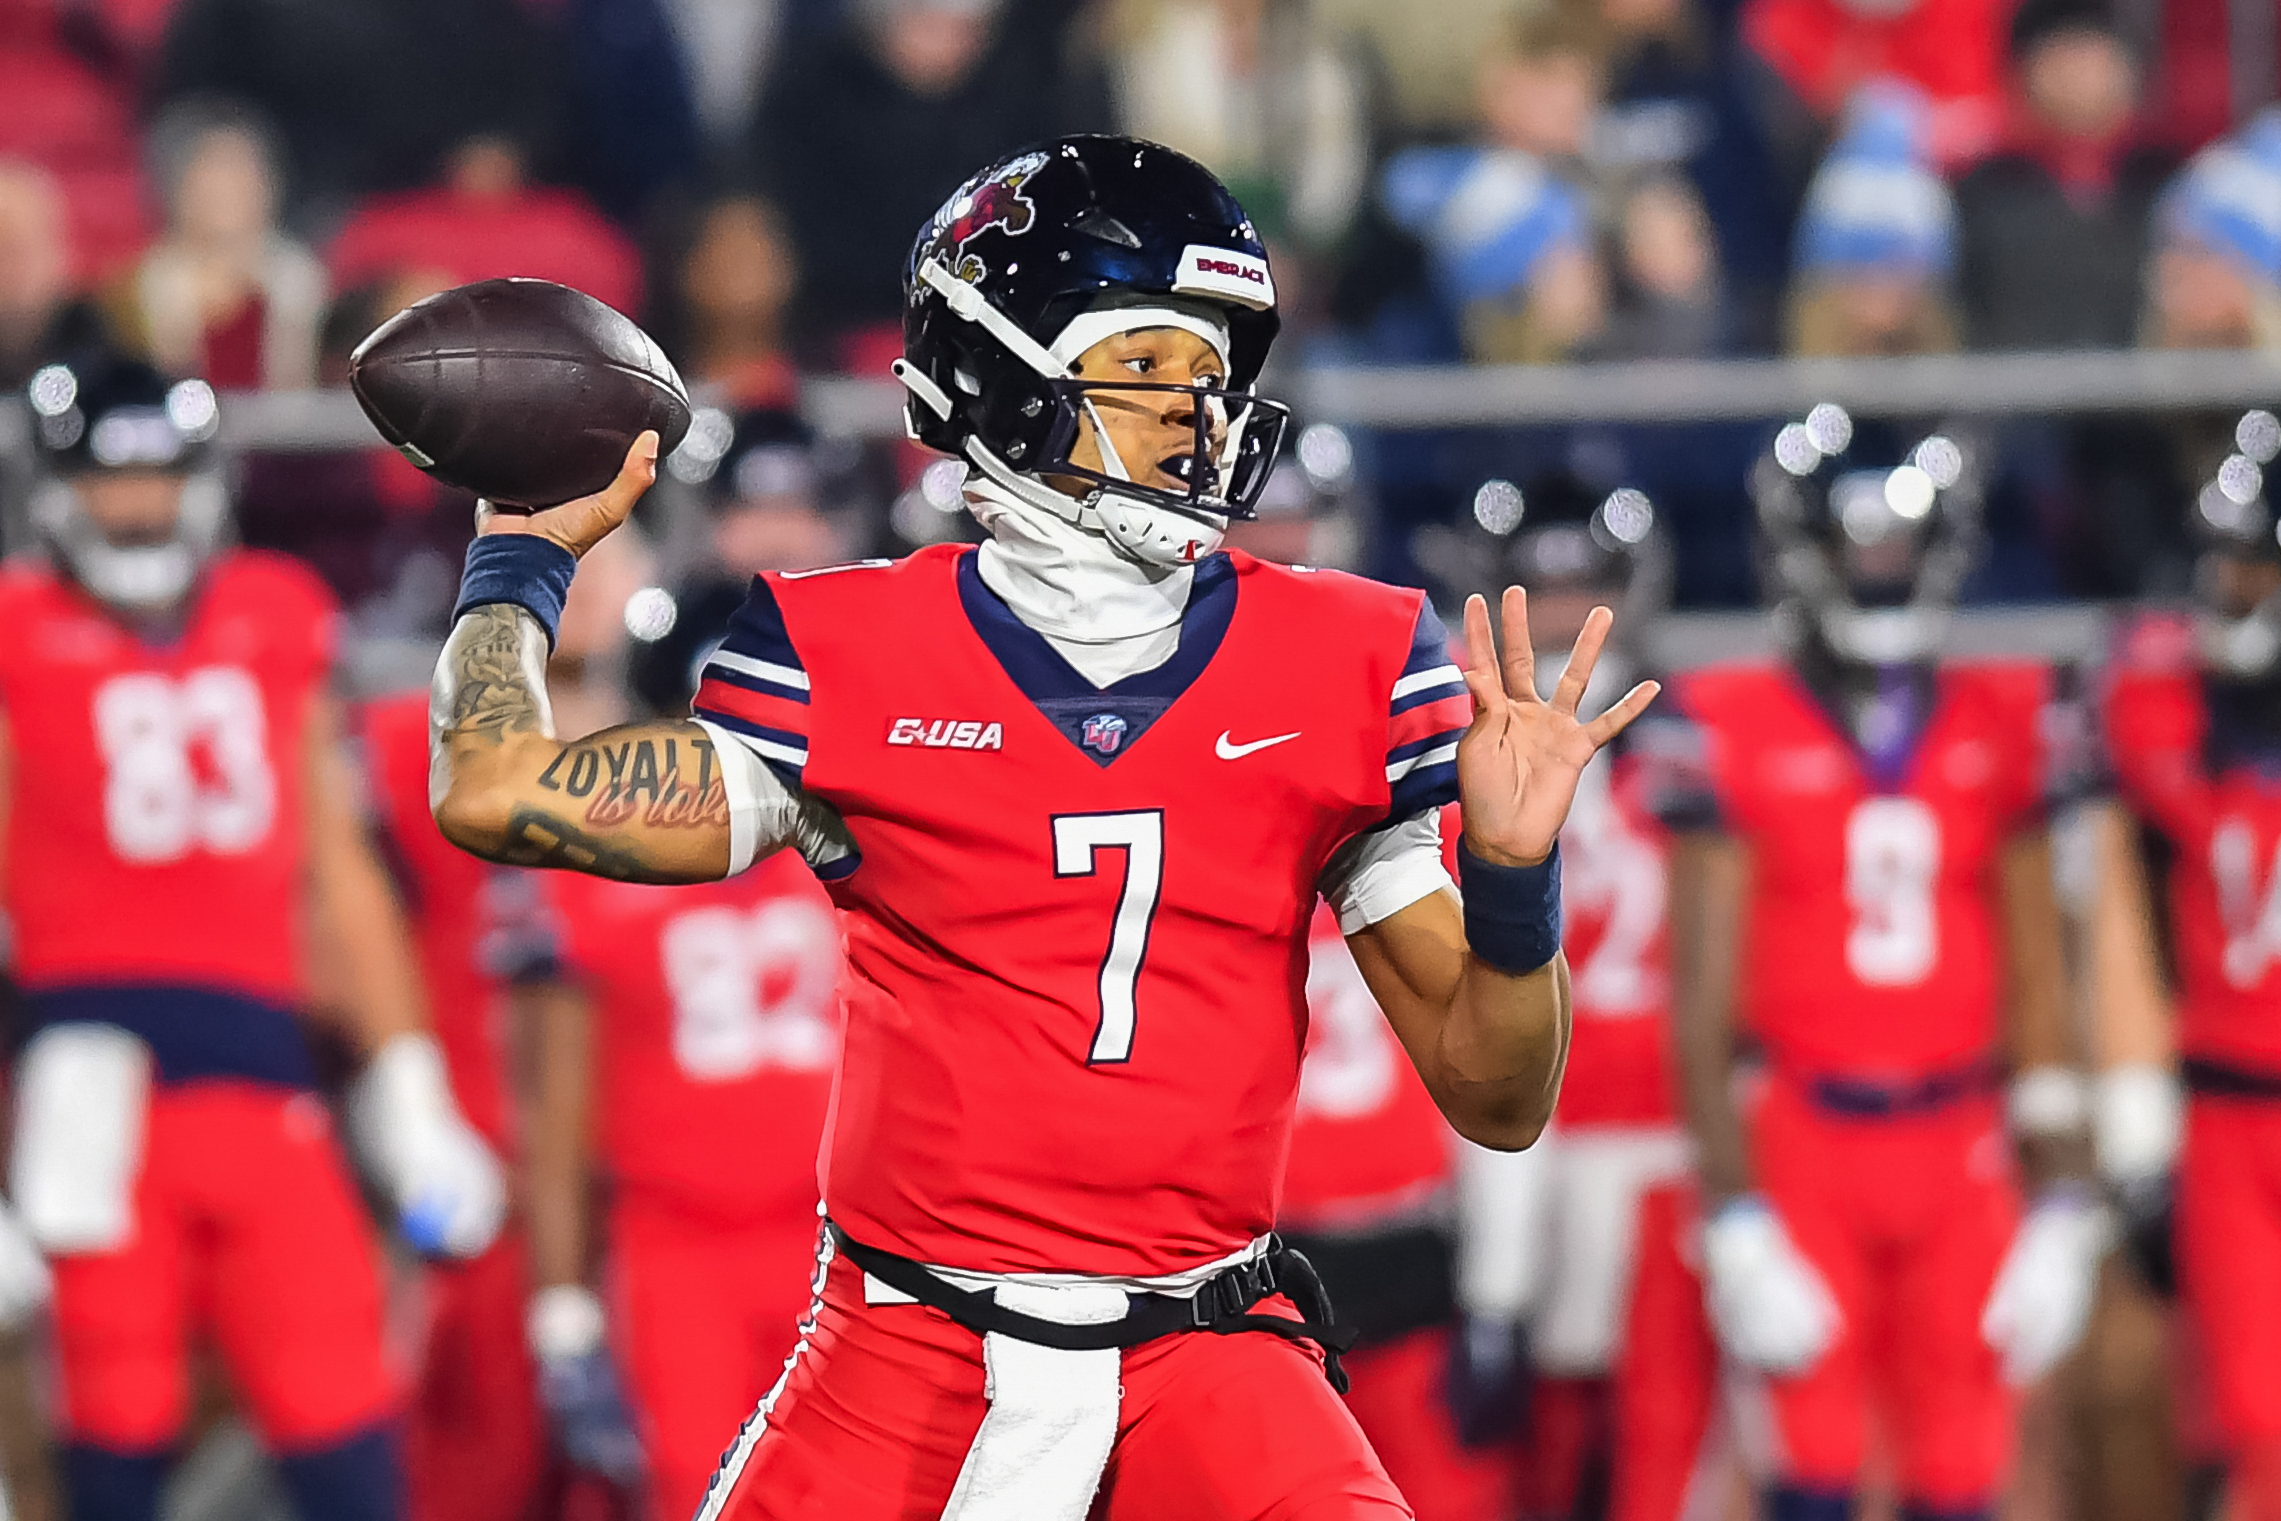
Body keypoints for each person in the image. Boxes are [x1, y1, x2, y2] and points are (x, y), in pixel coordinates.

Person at [423, 135, 1655, 1519]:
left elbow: (1500, 1096)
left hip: (1207, 1348)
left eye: (1211, 372)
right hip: (905, 1347)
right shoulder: (847, 649)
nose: (1196, 413)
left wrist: (1509, 880)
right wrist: (521, 551)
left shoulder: (1346, 658)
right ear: (1000, 376)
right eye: (1145, 367)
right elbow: (494, 788)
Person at [3, 351, 506, 1521]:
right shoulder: (19, 630)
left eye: (157, 480)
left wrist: (410, 1096)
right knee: (107, 1448)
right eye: (106, 486)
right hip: (90, 1094)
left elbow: (335, 883)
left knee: (343, 1427)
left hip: (266, 1082)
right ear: (52, 495)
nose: (135, 509)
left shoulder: (271, 614)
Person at [1658, 408, 2105, 1519]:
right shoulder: (1733, 716)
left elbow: (2041, 975)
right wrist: (1732, 1212)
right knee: (1810, 1478)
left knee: (1961, 1478)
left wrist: (2062, 1196)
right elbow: (1701, 1002)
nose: (1880, 571)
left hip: (1961, 1146)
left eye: (1898, 548)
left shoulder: (2002, 715)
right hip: (1804, 1135)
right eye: (1858, 549)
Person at [525, 608, 844, 1521]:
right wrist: (561, 1309)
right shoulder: (592, 875)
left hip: (840, 1240)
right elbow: (557, 1120)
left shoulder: (860, 858)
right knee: (701, 1494)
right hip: (676, 1247)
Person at [2098, 418, 2281, 1521]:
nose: (2230, 589)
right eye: (2225, 564)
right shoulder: (2163, 706)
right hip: (2220, 1104)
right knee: (2245, 1423)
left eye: (2254, 565)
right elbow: (2125, 910)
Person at [358, 690, 552, 1521]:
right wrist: (408, 1111)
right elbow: (333, 906)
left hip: (639, 1174)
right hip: (481, 1159)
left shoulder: (670, 728)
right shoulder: (418, 732)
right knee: (472, 1468)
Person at [1951, 0, 2174, 352]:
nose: (2080, 75)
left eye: (2093, 54)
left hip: (2145, 397)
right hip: (2014, 396)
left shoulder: (2167, 183)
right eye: (2063, 55)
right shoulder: (1980, 193)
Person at [115, 98, 326, 391]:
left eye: (239, 174)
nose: (226, 191)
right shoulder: (139, 291)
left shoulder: (300, 283)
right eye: (212, 175)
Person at [1784, 83, 1963, 358]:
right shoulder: (1837, 190)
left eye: (1896, 268)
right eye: (1859, 272)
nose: (1880, 293)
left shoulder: (1923, 193)